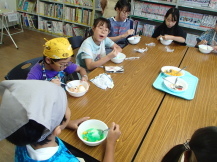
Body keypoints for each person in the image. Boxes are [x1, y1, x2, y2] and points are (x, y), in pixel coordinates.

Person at [0, 80, 121, 162]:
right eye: (66, 107)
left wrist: (67, 123)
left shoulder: (22, 135)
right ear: (56, 130)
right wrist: (110, 143)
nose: (68, 108)